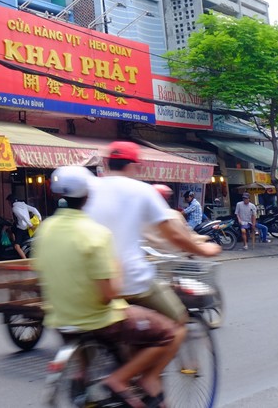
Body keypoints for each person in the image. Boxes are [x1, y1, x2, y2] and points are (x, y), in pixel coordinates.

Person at [34, 166, 179, 408]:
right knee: (169, 333)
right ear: (88, 196)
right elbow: (108, 295)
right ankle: (121, 380)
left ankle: (91, 376)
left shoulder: (44, 230)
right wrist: (118, 271)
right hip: (100, 320)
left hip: (60, 319)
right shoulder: (96, 234)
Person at [85, 141, 219, 328]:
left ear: (107, 164)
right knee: (178, 322)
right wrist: (204, 250)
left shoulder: (89, 189)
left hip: (92, 282)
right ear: (133, 166)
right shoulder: (142, 191)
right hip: (130, 279)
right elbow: (175, 236)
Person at [6, 193, 41, 259]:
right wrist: (40, 219)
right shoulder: (23, 204)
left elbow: (22, 217)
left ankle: (24, 260)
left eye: (8, 202)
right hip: (26, 228)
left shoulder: (15, 208)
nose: (8, 204)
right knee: (11, 229)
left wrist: (30, 225)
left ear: (11, 201)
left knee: (16, 246)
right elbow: (34, 209)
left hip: (21, 229)